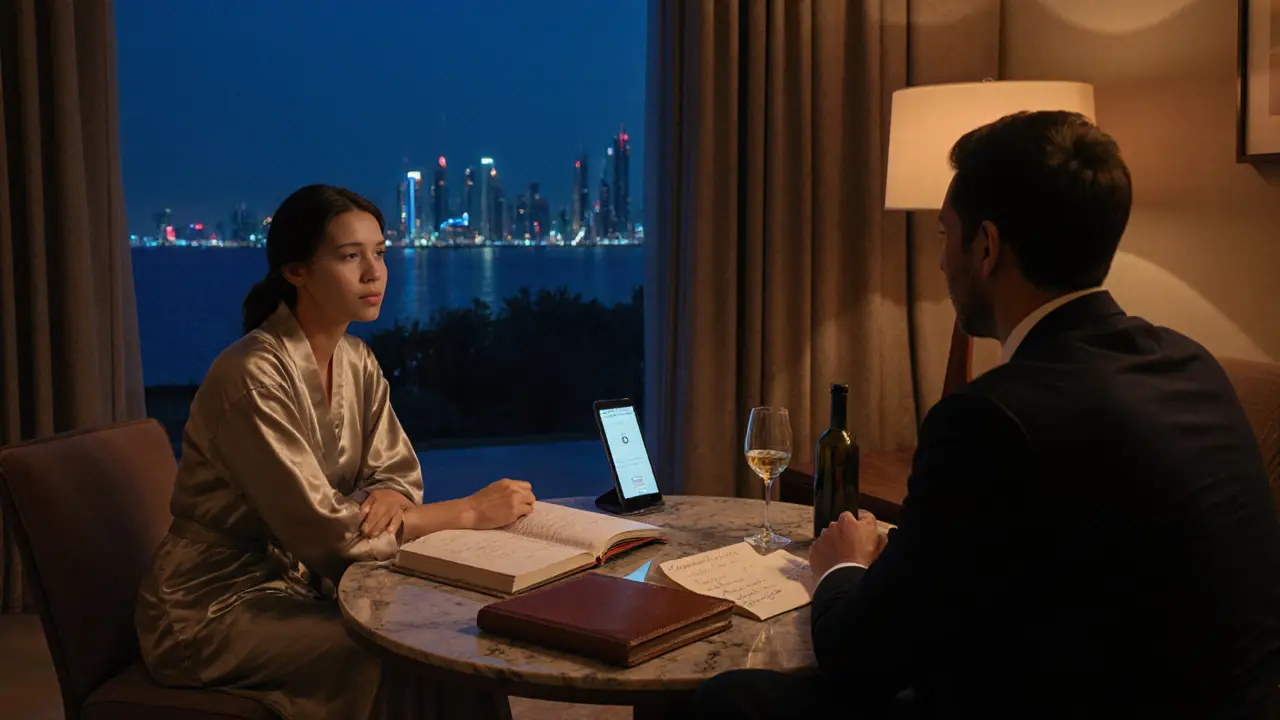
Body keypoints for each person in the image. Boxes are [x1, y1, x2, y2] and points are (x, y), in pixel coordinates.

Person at [694, 111, 1280, 718]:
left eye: (946, 236)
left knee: (728, 700)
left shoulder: (991, 419)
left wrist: (839, 562)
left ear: (987, 246)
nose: (943, 262)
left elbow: (859, 657)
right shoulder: (1193, 364)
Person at [135, 184, 535, 719]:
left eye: (380, 253)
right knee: (391, 651)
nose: (374, 273)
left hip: (307, 586)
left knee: (451, 640)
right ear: (295, 271)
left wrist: (391, 492)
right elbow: (330, 534)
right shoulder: (252, 376)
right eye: (350, 256)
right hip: (215, 605)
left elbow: (395, 469)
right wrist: (467, 512)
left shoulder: (357, 360)